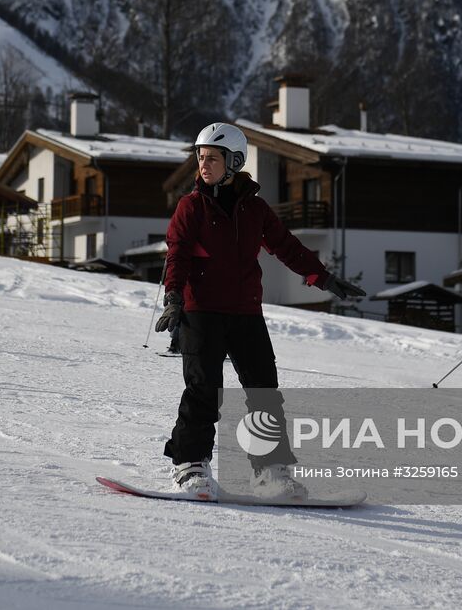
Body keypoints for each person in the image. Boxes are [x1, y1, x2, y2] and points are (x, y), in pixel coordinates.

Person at [156, 122, 365, 499]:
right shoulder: (191, 206)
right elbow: (178, 253)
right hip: (201, 311)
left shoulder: (255, 209)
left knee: (264, 391)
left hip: (245, 312)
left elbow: (286, 246)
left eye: (213, 158)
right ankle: (190, 466)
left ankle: (271, 471)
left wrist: (324, 278)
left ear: (234, 162)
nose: (203, 164)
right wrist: (173, 298)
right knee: (204, 390)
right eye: (201, 157)